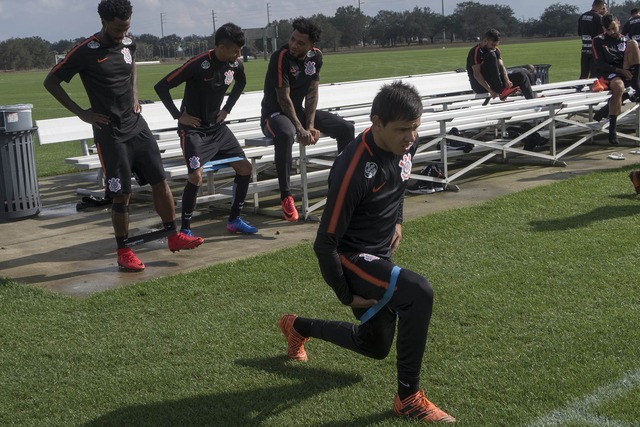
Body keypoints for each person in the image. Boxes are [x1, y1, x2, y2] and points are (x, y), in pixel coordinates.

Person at [278, 82, 456, 423]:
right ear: (376, 123)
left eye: (415, 128)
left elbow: (400, 183)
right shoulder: (354, 168)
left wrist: (398, 221)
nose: (411, 137)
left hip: (378, 254)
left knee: (374, 346)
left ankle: (297, 326)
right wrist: (346, 295)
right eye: (403, 130)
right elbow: (325, 243)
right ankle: (409, 398)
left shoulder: (405, 144)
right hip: (350, 256)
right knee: (418, 292)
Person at [43, 0, 204, 272]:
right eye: (117, 29)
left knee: (159, 180)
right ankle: (124, 250)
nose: (122, 34)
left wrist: (135, 96)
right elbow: (51, 81)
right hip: (110, 133)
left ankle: (173, 235)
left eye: (126, 27)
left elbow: (132, 68)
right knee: (122, 194)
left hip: (137, 126)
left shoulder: (130, 44)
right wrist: (82, 113)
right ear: (104, 22)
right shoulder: (85, 51)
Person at [154, 23, 257, 235]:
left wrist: (226, 109)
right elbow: (162, 86)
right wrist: (179, 116)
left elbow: (241, 83)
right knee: (196, 177)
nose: (239, 55)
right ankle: (185, 230)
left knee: (245, 168)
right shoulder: (198, 64)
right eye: (235, 50)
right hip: (193, 131)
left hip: (218, 129)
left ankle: (234, 220)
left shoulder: (235, 65)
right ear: (221, 47)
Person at [260, 17, 355, 222]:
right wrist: (300, 128)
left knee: (346, 128)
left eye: (301, 43)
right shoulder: (281, 56)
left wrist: (310, 126)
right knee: (286, 133)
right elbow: (283, 98)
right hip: (274, 115)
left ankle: (343, 186)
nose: (294, 45)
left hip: (298, 114)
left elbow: (312, 93)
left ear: (312, 45)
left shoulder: (316, 57)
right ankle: (286, 196)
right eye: (293, 39)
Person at [592, 13, 640, 144]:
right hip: (609, 72)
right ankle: (612, 129)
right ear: (604, 28)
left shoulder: (625, 39)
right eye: (609, 29)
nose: (613, 31)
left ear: (618, 23)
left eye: (614, 27)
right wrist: (621, 71)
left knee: (634, 44)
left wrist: (628, 70)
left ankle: (635, 83)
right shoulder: (598, 40)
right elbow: (600, 64)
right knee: (619, 88)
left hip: (627, 70)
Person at [466, 28, 535, 101]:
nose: (494, 47)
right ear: (485, 41)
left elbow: (501, 66)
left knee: (522, 75)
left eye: (496, 45)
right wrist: (490, 90)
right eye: (492, 44)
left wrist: (507, 80)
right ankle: (501, 90)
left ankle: (532, 102)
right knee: (491, 56)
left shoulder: (495, 49)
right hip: (480, 85)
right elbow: (477, 74)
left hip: (496, 82)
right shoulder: (475, 51)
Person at [578, 0, 608, 81]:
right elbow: (602, 35)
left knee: (583, 74)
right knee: (594, 73)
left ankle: (580, 89)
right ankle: (592, 89)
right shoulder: (598, 17)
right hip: (595, 50)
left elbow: (579, 33)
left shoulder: (582, 16)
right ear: (601, 6)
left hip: (584, 49)